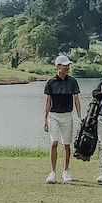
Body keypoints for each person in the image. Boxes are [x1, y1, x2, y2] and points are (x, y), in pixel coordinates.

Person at [43, 54, 81, 183]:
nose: (67, 68)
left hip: (67, 115)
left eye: (68, 65)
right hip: (54, 115)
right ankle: (53, 172)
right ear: (58, 66)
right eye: (65, 65)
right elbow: (48, 101)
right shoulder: (50, 82)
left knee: (66, 145)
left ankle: (66, 170)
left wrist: (79, 115)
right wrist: (45, 119)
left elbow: (76, 99)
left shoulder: (72, 81)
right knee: (54, 143)